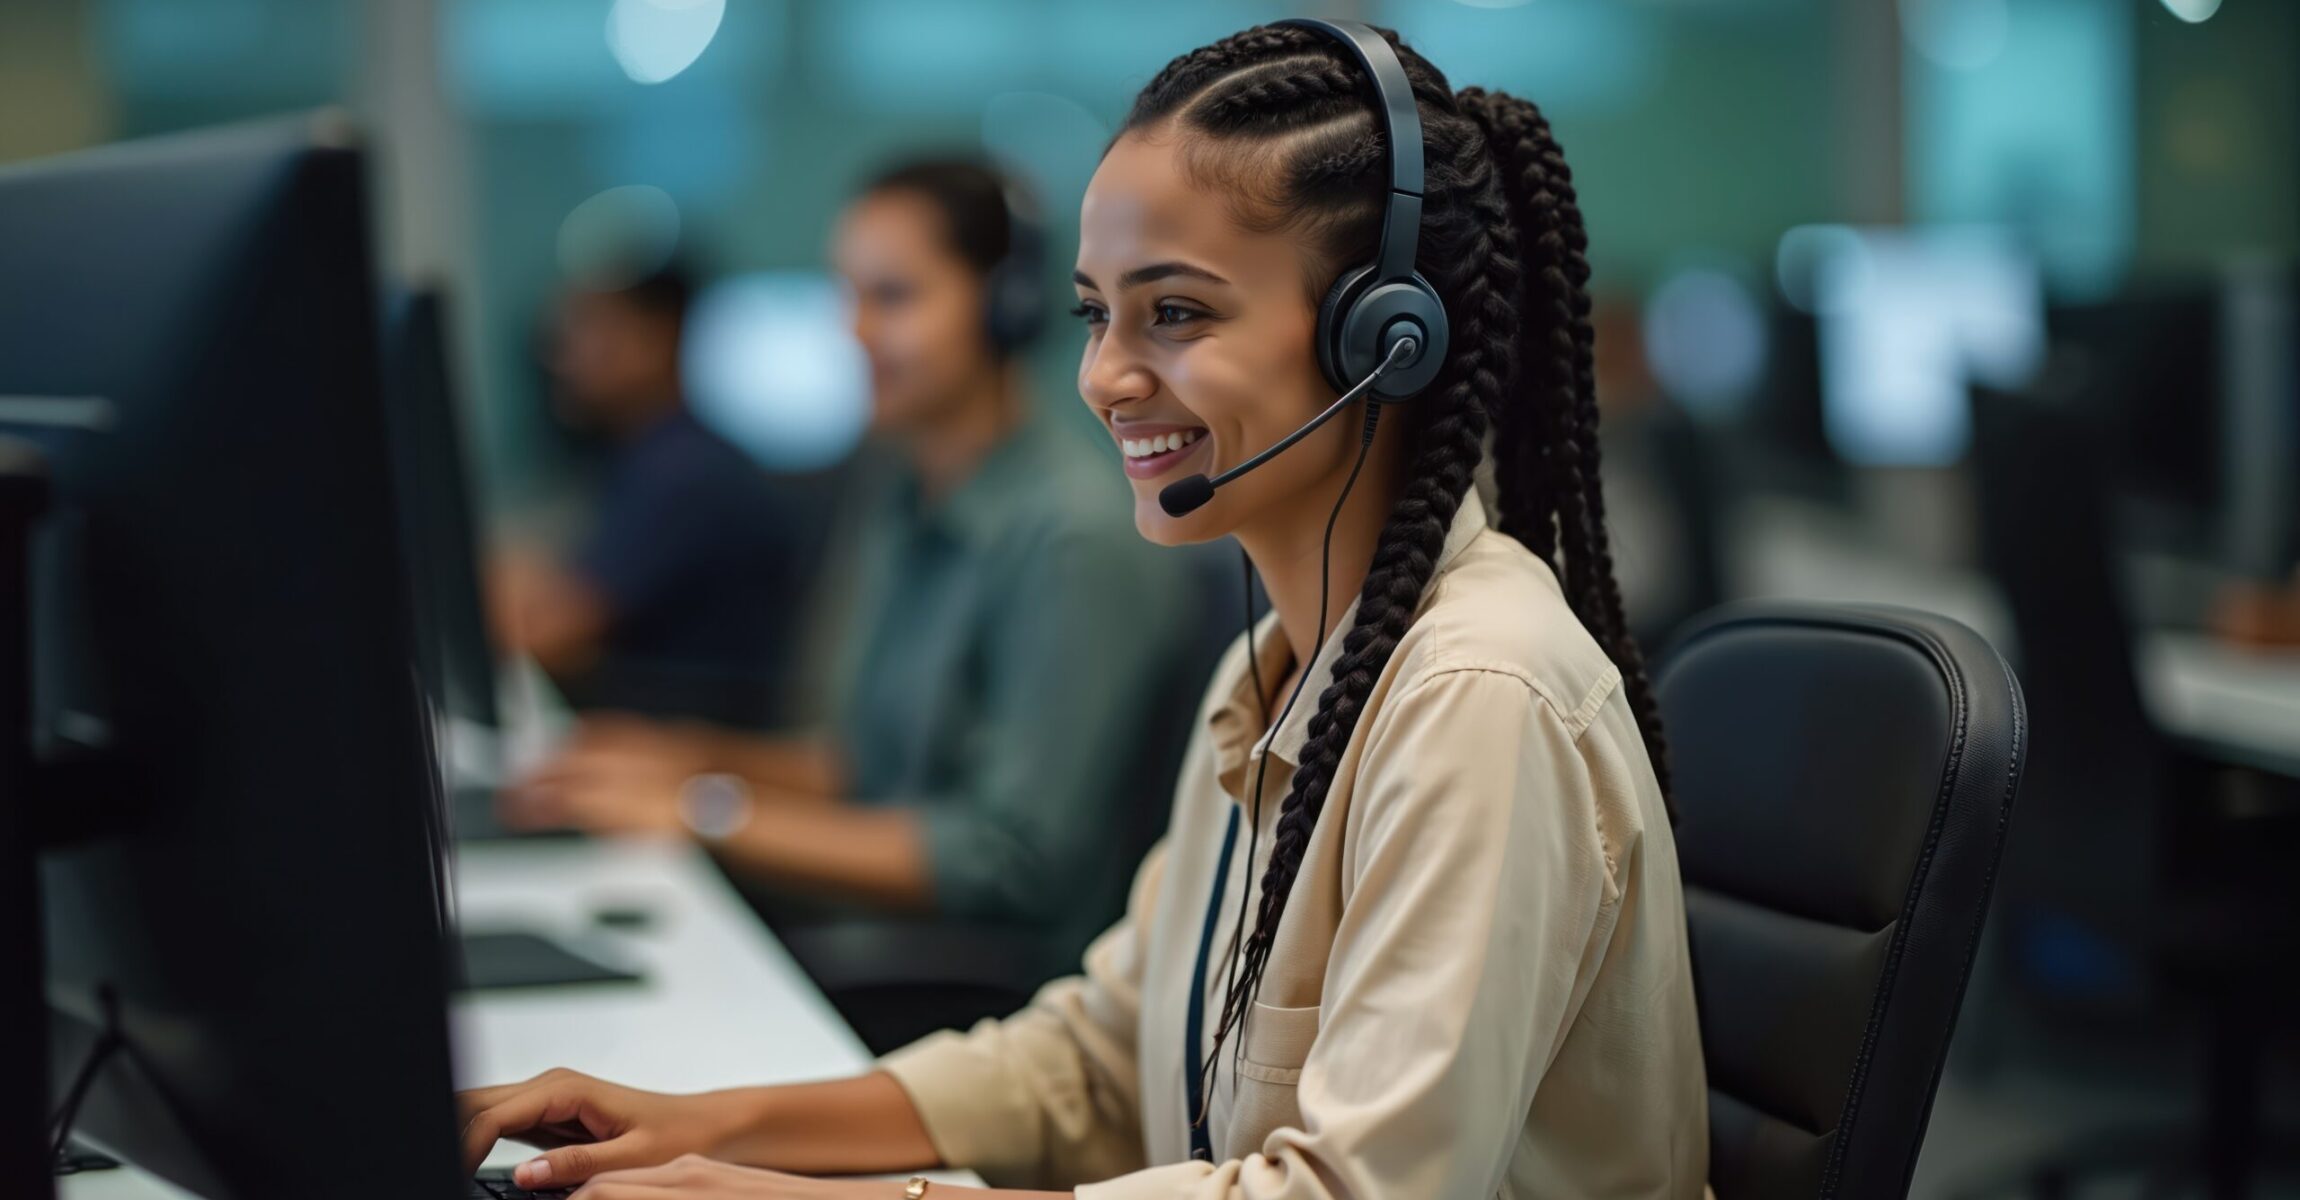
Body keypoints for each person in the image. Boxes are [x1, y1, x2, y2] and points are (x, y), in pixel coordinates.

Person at [463, 22, 1707, 1199]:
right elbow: (1097, 1056)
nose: (1102, 376)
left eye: (1175, 312)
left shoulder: (1476, 701)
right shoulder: (1275, 671)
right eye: (1093, 313)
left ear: (1385, 340)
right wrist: (704, 1124)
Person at [502, 160, 1201, 984]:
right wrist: (681, 759)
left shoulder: (1068, 536)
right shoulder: (900, 494)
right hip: (865, 941)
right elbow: (859, 766)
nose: (855, 331)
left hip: (970, 987)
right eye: (848, 295)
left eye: (892, 297)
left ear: (1003, 308)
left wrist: (705, 810)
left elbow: (1009, 860)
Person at [492, 263, 840, 727]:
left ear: (655, 338)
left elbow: (549, 636)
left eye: (589, 328)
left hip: (689, 742)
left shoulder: (684, 474)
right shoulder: (651, 456)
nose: (563, 355)